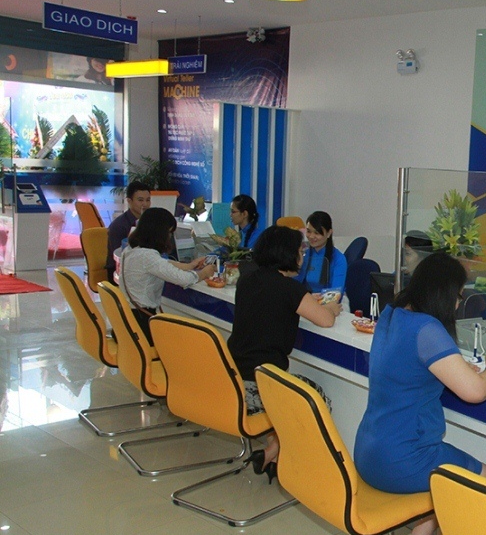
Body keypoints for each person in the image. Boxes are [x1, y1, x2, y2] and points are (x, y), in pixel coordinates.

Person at [354, 252, 486, 535]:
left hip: (368, 450)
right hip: (401, 458)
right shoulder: (428, 329)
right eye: (458, 295)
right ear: (443, 293)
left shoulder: (393, 315)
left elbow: (413, 366)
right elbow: (476, 392)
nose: (459, 303)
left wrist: (457, 367)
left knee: (445, 473)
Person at [227, 226, 342, 481]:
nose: (302, 257)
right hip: (261, 386)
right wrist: (332, 308)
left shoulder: (247, 280)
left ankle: (274, 452)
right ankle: (278, 452)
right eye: (300, 251)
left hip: (233, 380)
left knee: (287, 401)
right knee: (316, 398)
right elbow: (325, 320)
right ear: (288, 254)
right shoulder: (289, 289)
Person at [119, 208, 216, 343]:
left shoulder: (131, 250)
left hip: (129, 321)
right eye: (169, 233)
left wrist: (189, 266)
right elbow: (184, 279)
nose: (170, 237)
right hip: (142, 325)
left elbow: (161, 264)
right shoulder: (148, 256)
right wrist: (204, 273)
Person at [107, 181, 152, 281]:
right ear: (129, 201)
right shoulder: (119, 225)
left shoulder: (150, 222)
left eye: (148, 200)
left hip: (143, 268)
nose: (145, 204)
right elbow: (119, 256)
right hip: (119, 272)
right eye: (140, 200)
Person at [296, 211, 347, 295]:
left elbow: (336, 293)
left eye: (317, 233)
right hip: (307, 298)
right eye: (308, 231)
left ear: (329, 233)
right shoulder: (304, 254)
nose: (311, 236)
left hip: (330, 299)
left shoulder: (338, 259)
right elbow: (295, 283)